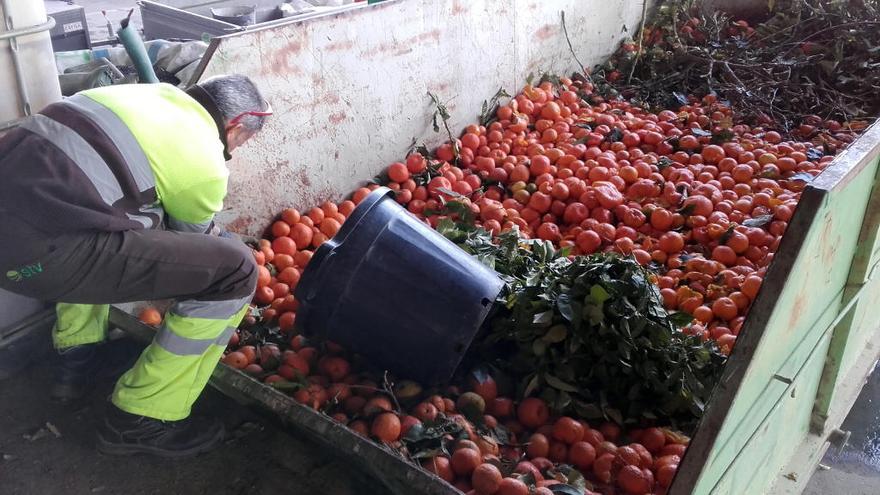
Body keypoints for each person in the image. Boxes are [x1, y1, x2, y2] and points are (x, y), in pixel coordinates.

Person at [0, 74, 271, 458]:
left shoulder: (135, 98)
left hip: (16, 241)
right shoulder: (205, 160)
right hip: (33, 260)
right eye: (241, 142)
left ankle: (75, 363)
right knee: (235, 272)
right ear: (234, 125)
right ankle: (140, 417)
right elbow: (197, 243)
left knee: (110, 214)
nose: (235, 150)